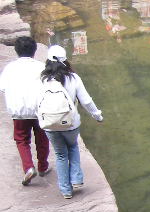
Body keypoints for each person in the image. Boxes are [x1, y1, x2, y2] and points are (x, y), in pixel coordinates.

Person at [37, 46, 103, 200]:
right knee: (73, 147)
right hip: (71, 123)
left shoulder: (42, 79)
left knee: (60, 155)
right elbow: (86, 101)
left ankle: (66, 190)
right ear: (65, 60)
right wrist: (97, 116)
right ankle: (76, 179)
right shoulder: (73, 78)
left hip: (50, 125)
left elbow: (37, 103)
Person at [0, 36, 49, 186]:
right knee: (42, 137)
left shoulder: (10, 68)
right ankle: (42, 166)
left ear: (16, 51)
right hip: (39, 109)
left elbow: (2, 88)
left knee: (22, 140)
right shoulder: (41, 67)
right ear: (35, 51)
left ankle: (28, 167)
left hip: (19, 110)